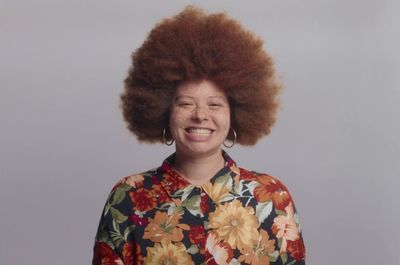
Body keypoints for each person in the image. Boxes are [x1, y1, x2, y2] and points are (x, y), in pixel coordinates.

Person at [93, 6, 306, 265]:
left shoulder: (272, 198)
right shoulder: (128, 198)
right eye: (185, 103)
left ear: (236, 113)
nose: (200, 115)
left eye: (214, 104)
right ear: (162, 110)